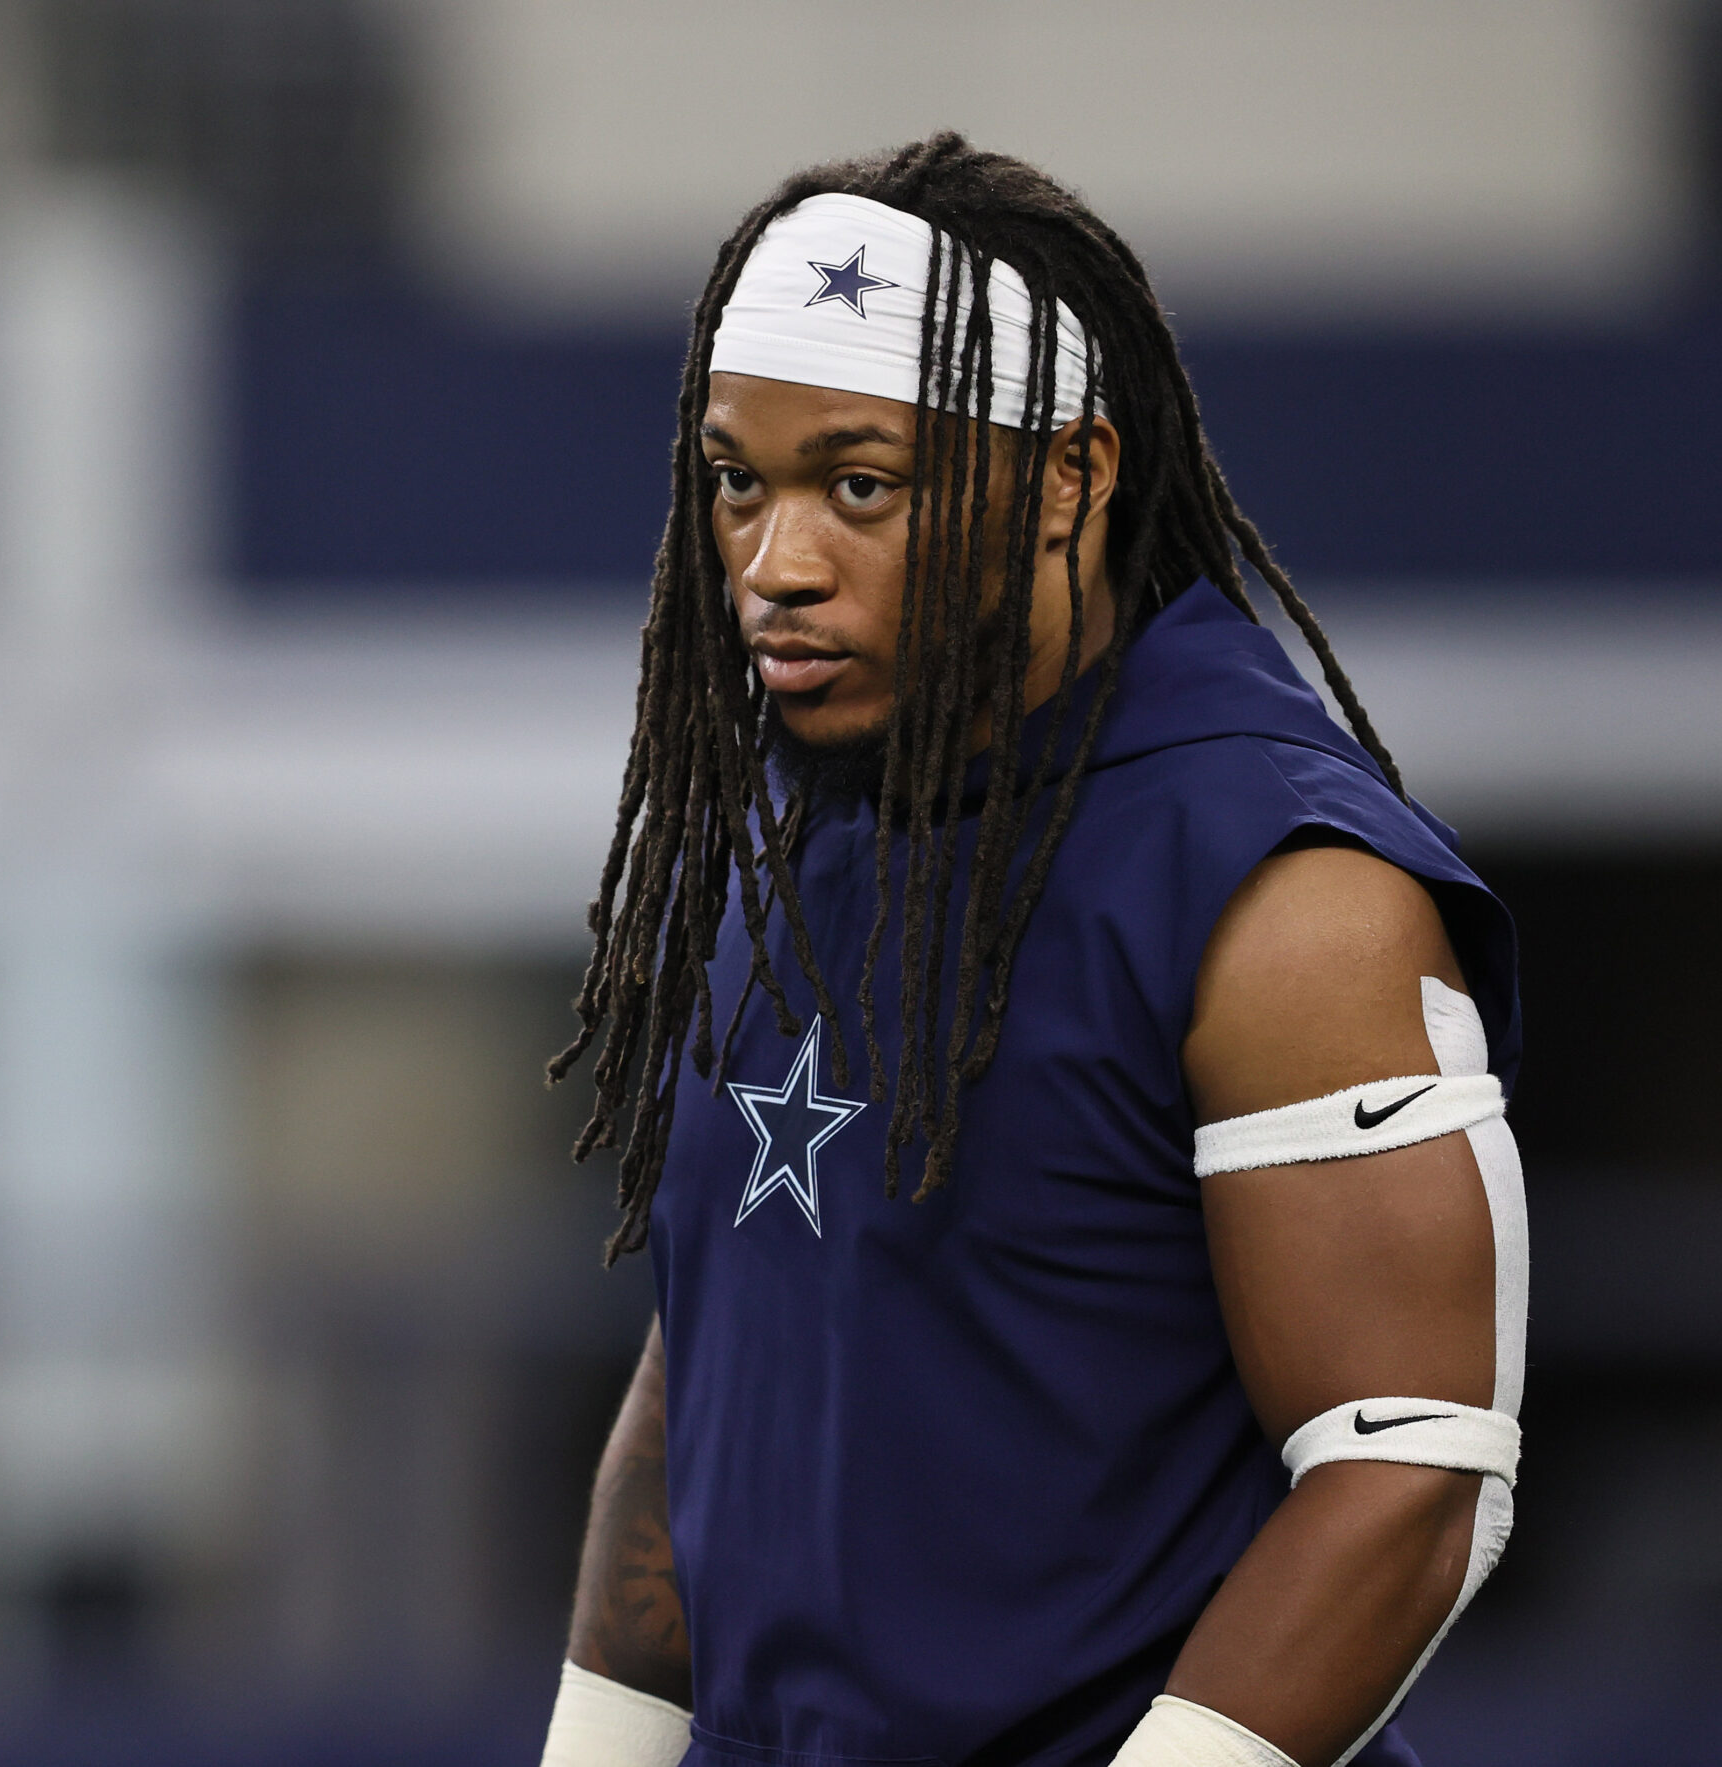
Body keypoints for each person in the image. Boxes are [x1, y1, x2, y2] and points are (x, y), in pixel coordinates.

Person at [538, 134, 1526, 1767]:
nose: (776, 566)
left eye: (862, 485)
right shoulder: (780, 828)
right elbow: (712, 1369)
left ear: (1071, 475)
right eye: (739, 482)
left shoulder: (1280, 884)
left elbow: (1406, 1476)